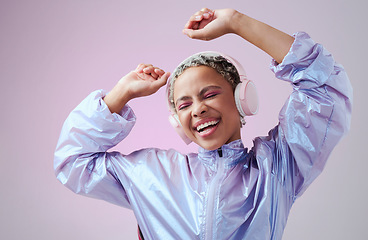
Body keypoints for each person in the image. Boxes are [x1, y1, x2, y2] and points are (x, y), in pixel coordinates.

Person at [54, 8, 353, 240]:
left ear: (242, 99)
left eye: (209, 94)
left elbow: (325, 86)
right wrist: (122, 92)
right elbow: (72, 160)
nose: (197, 109)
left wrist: (236, 22)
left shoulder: (276, 167)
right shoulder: (150, 174)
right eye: (183, 105)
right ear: (177, 122)